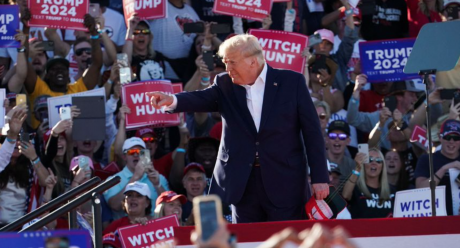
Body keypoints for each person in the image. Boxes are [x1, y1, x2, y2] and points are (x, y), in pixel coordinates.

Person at [147, 34, 329, 223]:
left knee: (287, 240)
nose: (228, 68)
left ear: (252, 61)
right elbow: (201, 98)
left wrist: (320, 177)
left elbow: (312, 133)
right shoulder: (225, 83)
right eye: (226, 63)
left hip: (285, 181)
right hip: (243, 183)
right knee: (247, 240)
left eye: (232, 62)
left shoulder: (292, 82)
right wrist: (173, 100)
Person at [103, 137, 169, 220]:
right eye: (131, 152)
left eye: (140, 152)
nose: (136, 155)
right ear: (124, 157)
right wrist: (135, 177)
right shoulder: (113, 180)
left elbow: (169, 206)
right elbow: (115, 206)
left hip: (155, 229)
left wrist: (157, 184)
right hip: (126, 229)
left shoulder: (159, 178)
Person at [415, 119, 460, 215]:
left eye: (456, 138)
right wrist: (444, 168)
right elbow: (420, 190)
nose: (451, 141)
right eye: (448, 137)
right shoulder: (427, 159)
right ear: (440, 137)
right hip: (437, 218)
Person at [342, 148, 395, 218]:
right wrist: (357, 168)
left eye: (378, 161)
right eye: (369, 160)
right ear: (363, 164)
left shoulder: (393, 191)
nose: (374, 163)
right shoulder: (356, 188)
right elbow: (345, 196)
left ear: (382, 167)